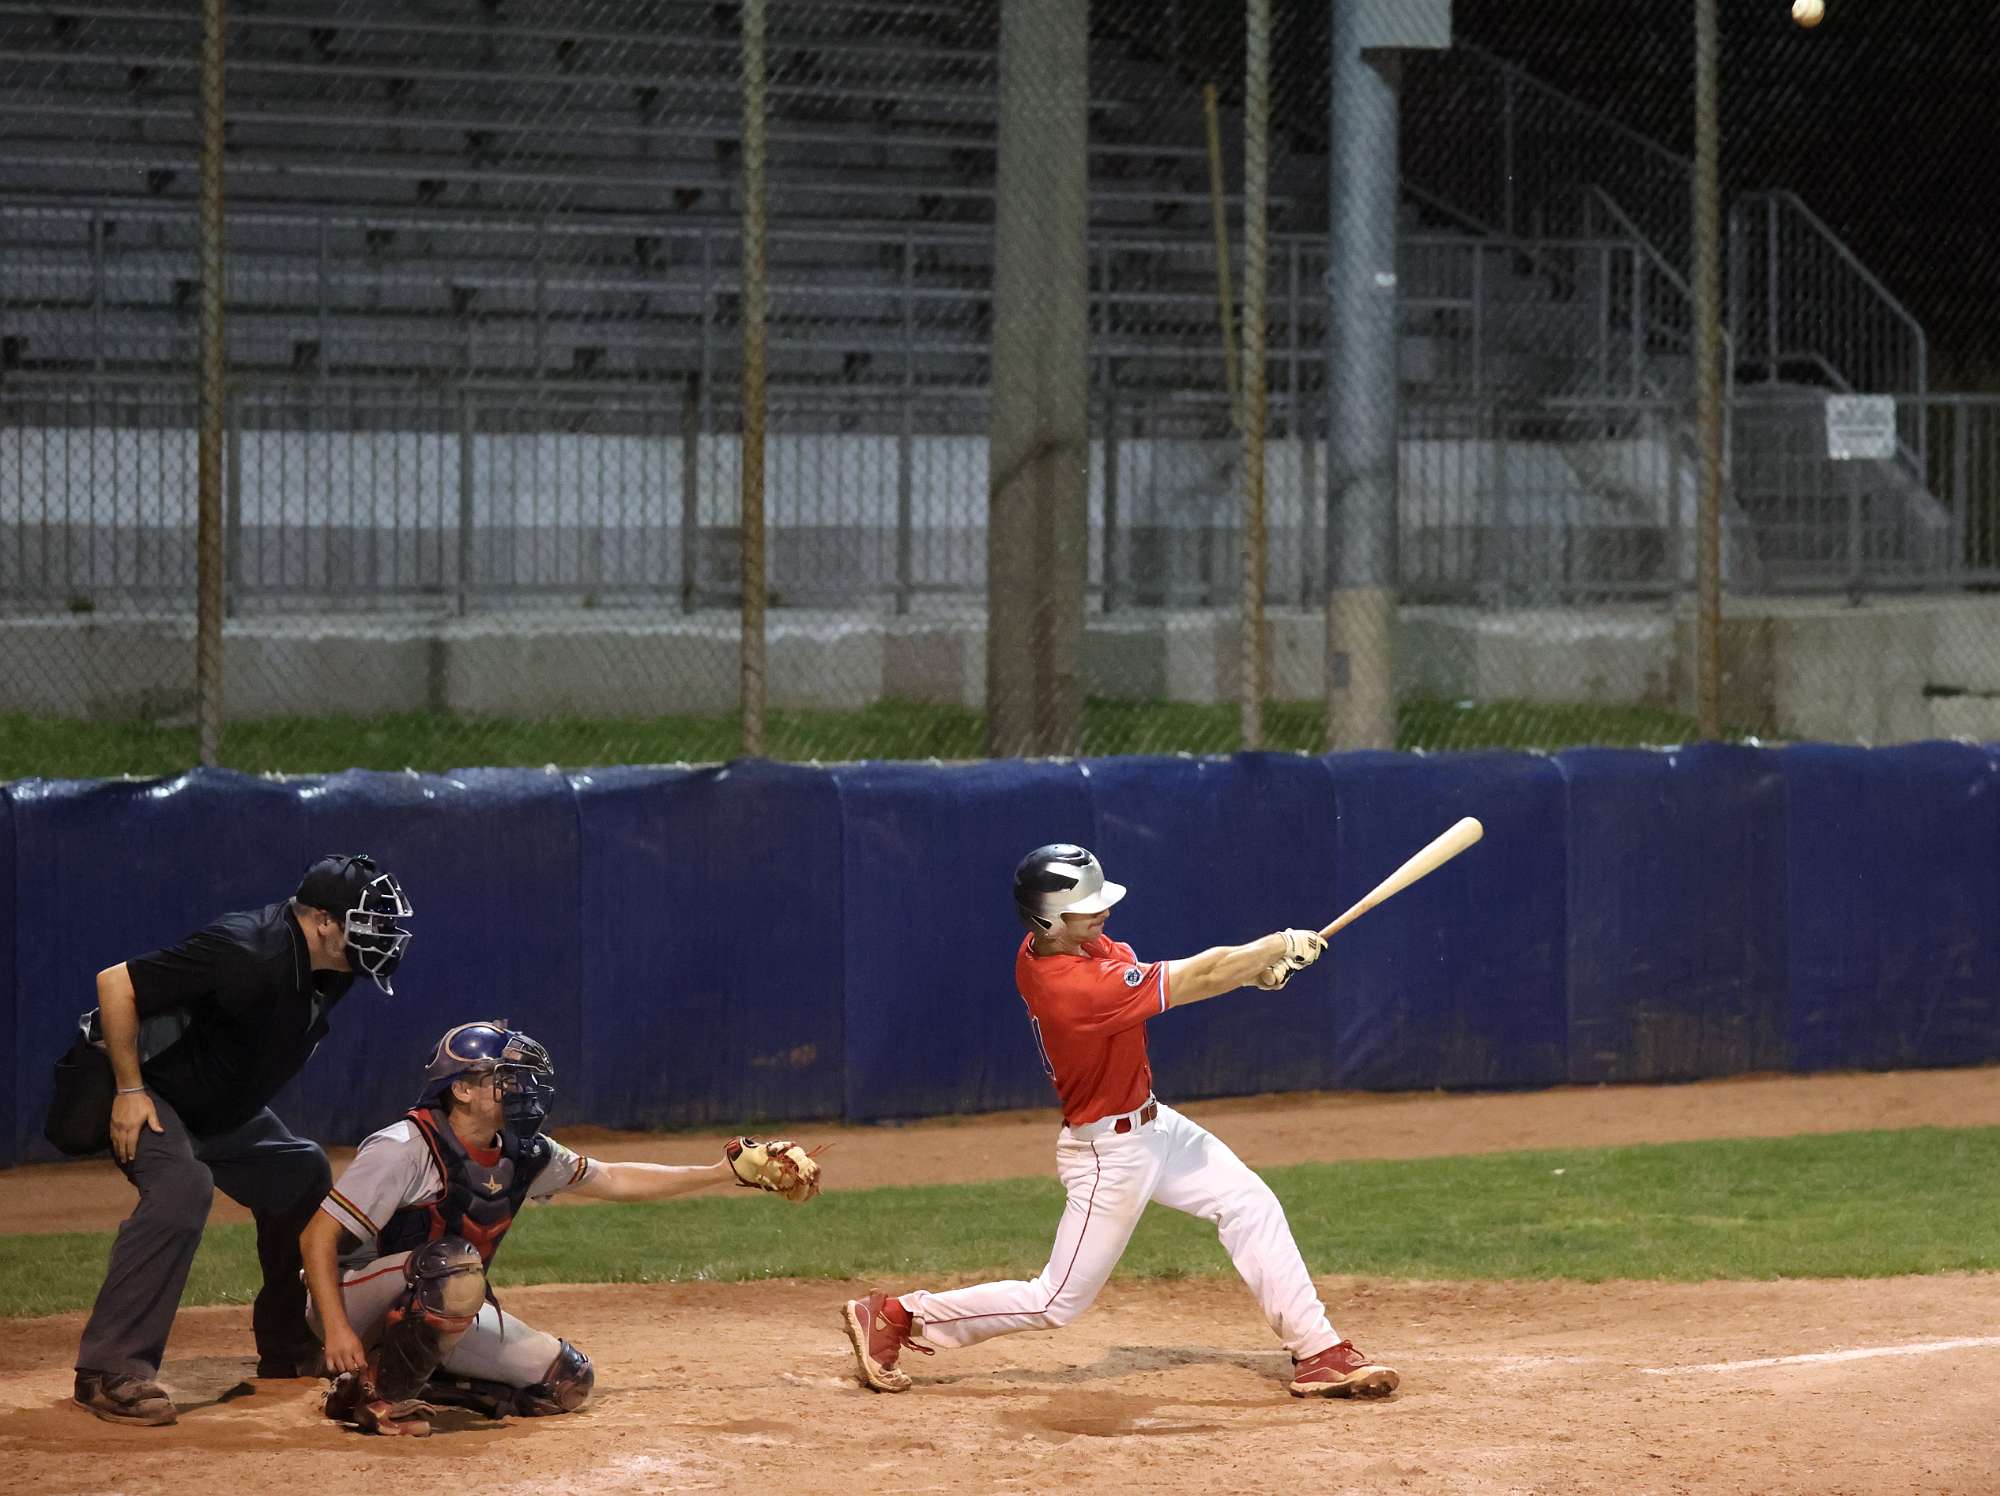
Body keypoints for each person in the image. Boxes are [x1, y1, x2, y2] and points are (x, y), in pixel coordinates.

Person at [841, 843, 1399, 1401]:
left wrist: (1251, 973)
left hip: (1157, 1127)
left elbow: (1193, 975)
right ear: (1047, 919)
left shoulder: (1063, 944)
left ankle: (1318, 1352)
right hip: (1109, 1152)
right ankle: (897, 1316)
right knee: (1055, 1300)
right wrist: (1276, 946)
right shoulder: (1071, 988)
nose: (1103, 912)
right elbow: (1196, 977)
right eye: (1087, 907)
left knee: (1250, 1204)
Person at [304, 1019, 822, 1437]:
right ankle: (381, 1398)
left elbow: (613, 1177)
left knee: (565, 1382)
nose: (520, 1089)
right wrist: (338, 1329)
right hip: (353, 1299)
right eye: (504, 1079)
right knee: (454, 1265)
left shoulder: (525, 1152)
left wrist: (719, 1172)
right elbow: (317, 1236)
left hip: (439, 1299)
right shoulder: (404, 1147)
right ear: (460, 1089)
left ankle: (383, 1380)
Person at [71, 852, 415, 1426]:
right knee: (182, 1190)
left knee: (300, 1172)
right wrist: (130, 1090)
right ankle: (108, 1370)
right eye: (367, 922)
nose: (382, 936)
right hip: (152, 1090)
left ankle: (287, 1344)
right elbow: (116, 984)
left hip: (214, 1109)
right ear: (323, 921)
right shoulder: (247, 950)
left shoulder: (333, 967)